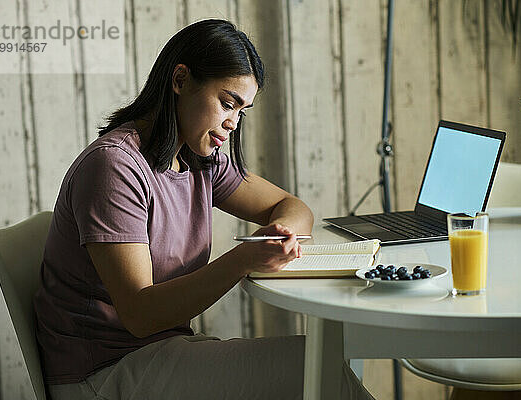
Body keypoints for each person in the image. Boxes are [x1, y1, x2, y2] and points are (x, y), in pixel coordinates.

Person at [34, 19, 375, 400]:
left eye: (241, 112)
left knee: (319, 365)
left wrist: (282, 231)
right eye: (227, 103)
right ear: (180, 80)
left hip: (162, 353)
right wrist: (242, 259)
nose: (231, 123)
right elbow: (140, 315)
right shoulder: (115, 168)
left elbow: (291, 206)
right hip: (103, 373)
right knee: (314, 367)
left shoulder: (199, 160)